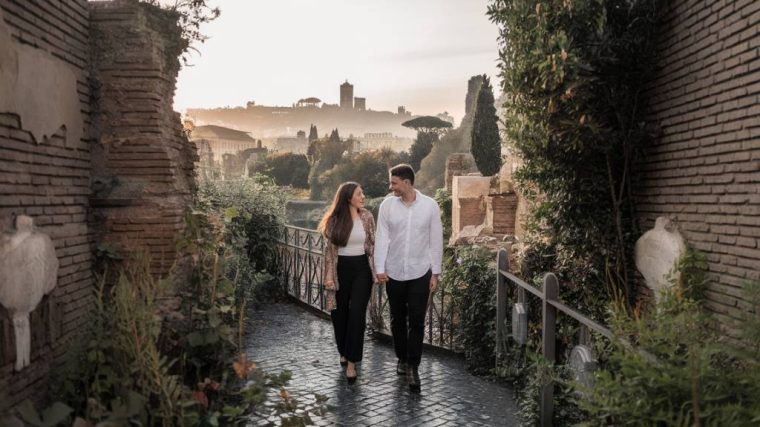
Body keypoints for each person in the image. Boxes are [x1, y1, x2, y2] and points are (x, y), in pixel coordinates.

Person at [374, 164, 443, 393]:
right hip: (394, 272)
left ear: (406, 182)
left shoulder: (430, 206)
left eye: (394, 182)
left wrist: (436, 272)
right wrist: (379, 267)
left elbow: (436, 240)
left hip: (419, 271)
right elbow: (381, 237)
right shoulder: (387, 205)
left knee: (416, 320)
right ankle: (401, 358)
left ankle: (413, 366)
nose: (390, 186)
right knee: (396, 318)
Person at [318, 182, 377, 384]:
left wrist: (377, 270)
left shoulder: (367, 216)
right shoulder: (335, 219)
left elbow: (372, 244)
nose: (363, 197)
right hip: (340, 269)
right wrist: (328, 277)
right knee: (339, 314)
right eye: (359, 194)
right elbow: (329, 252)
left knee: (357, 314)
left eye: (362, 193)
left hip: (361, 268)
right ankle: (343, 351)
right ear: (348, 197)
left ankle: (352, 362)